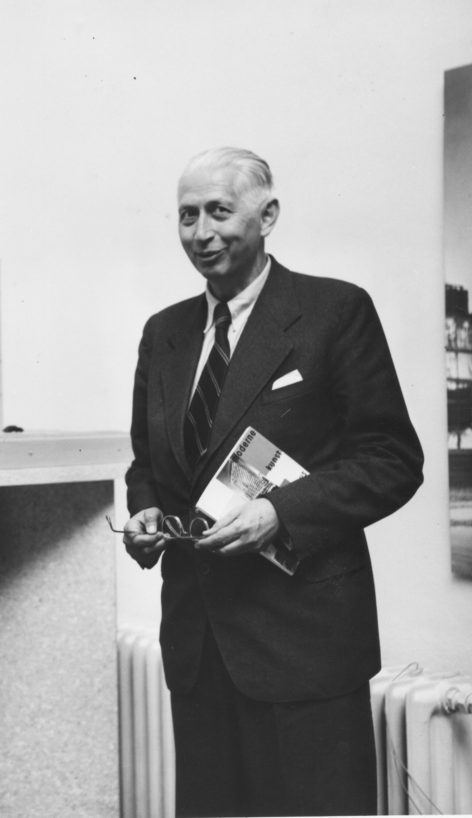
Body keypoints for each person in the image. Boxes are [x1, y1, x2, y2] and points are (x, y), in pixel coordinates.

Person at [121, 147, 423, 817]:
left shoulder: (334, 312)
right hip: (200, 652)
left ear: (268, 215)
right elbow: (147, 462)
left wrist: (279, 514)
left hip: (305, 651)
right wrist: (145, 514)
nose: (201, 233)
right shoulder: (164, 333)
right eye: (187, 215)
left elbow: (393, 458)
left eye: (219, 213)